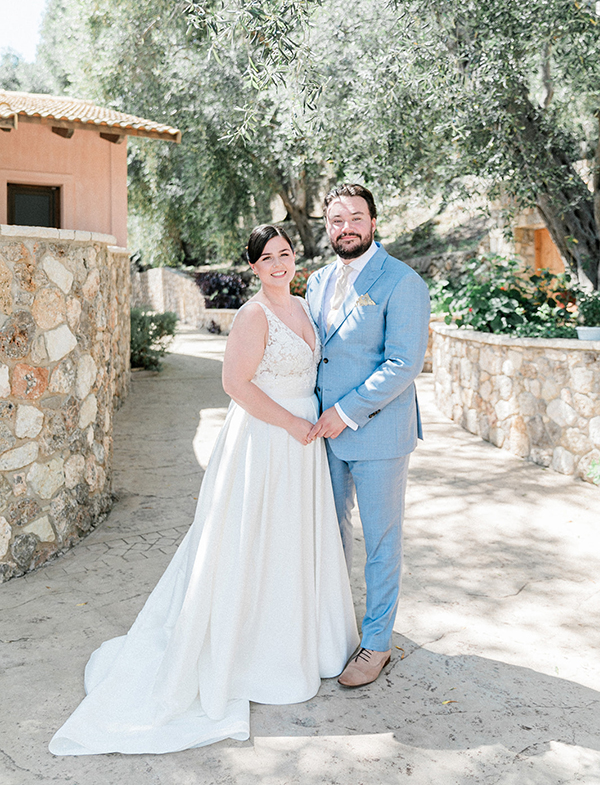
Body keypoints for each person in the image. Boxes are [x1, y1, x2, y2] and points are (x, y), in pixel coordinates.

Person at [49, 224, 358, 756]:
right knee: (251, 539)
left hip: (304, 442)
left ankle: (304, 642)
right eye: (268, 257)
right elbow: (235, 385)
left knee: (293, 539)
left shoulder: (305, 308)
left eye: (285, 253)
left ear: (295, 258)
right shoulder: (253, 315)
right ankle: (250, 652)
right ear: (254, 267)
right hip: (266, 438)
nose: (279, 264)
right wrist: (290, 422)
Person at [306, 185, 430, 688]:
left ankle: (377, 643)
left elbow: (404, 363)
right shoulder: (316, 282)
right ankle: (335, 631)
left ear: (373, 223)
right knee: (328, 536)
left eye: (356, 218)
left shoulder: (402, 281)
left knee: (380, 542)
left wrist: (345, 411)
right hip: (322, 434)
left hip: (378, 433)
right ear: (327, 227)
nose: (346, 228)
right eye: (337, 220)